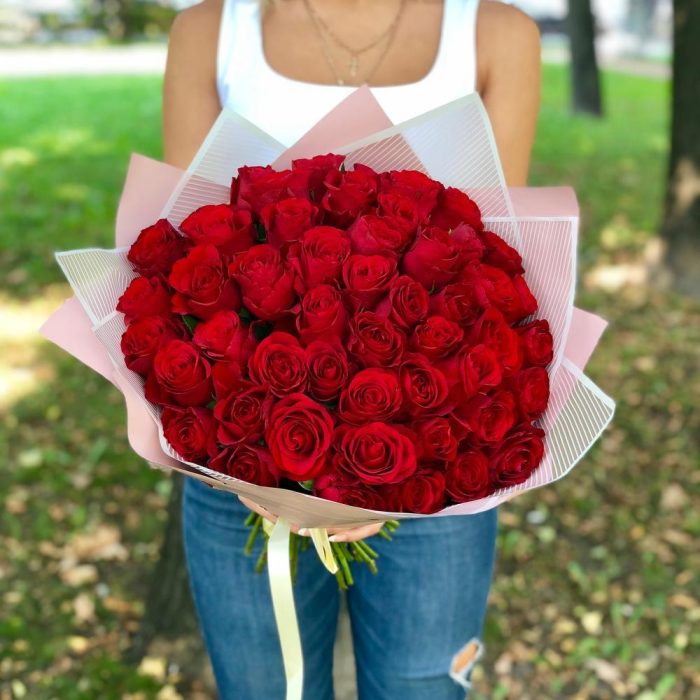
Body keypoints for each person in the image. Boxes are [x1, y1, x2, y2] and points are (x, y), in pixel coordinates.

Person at [162, 0, 540, 697]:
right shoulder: (212, 31)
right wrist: (252, 449)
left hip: (436, 474)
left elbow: (492, 265)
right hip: (238, 466)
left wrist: (395, 459)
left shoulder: (497, 34)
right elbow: (183, 258)